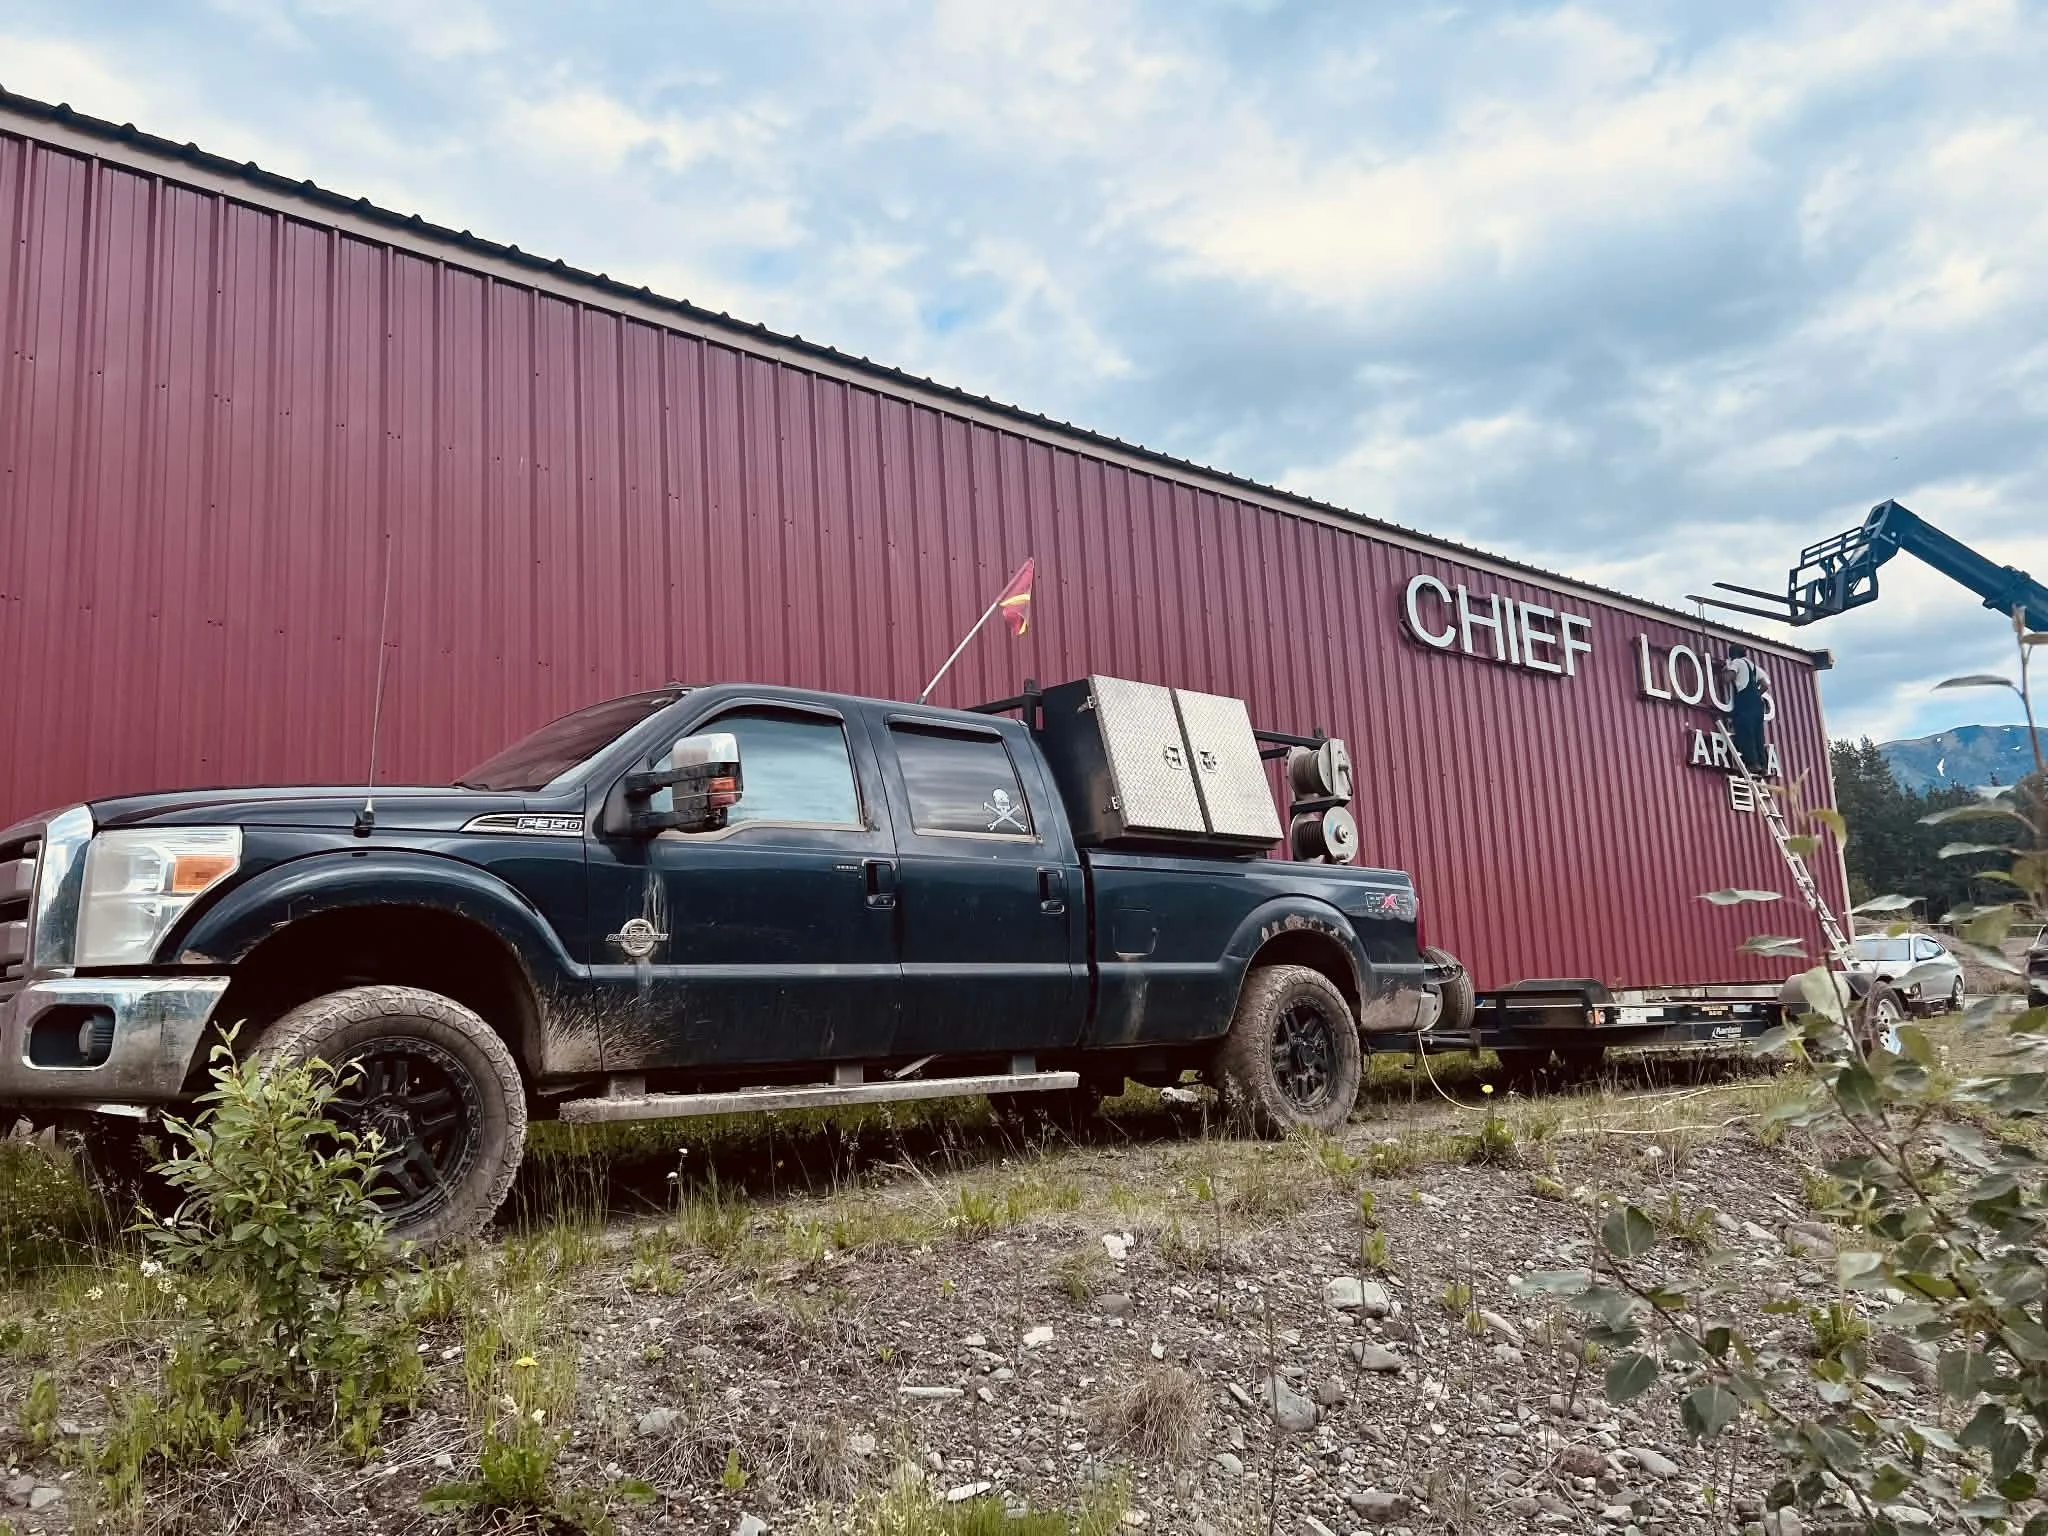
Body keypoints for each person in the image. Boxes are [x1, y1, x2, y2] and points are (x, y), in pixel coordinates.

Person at [1724, 644, 1769, 773]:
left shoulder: (1736, 662)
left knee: (1745, 731)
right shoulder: (1753, 666)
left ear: (1733, 654)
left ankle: (1752, 763)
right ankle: (1763, 765)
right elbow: (1766, 684)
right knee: (1758, 734)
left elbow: (1727, 679)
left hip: (1745, 702)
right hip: (1757, 703)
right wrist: (1757, 695)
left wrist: (1726, 670)